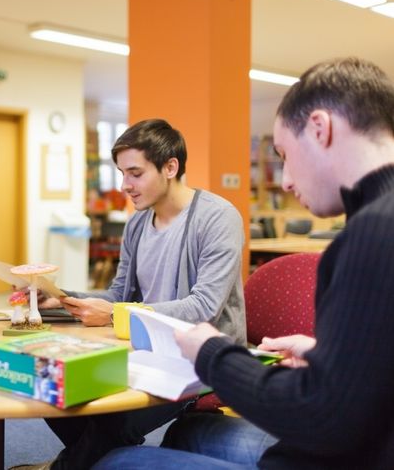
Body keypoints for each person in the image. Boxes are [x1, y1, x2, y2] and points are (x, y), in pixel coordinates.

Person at [95, 57, 394, 469]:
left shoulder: (372, 234)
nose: (286, 180)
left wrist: (213, 353)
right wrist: (327, 355)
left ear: (321, 129)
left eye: (285, 154)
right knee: (188, 432)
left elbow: (323, 420)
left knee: (114, 463)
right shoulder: (378, 224)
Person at [24, 118, 246, 469]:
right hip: (142, 347)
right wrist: (60, 297)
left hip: (196, 357)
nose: (125, 185)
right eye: (122, 174)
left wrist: (115, 314)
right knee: (52, 388)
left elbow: (204, 306)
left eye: (135, 173)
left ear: (170, 167)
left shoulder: (217, 218)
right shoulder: (138, 223)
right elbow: (119, 294)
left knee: (113, 421)